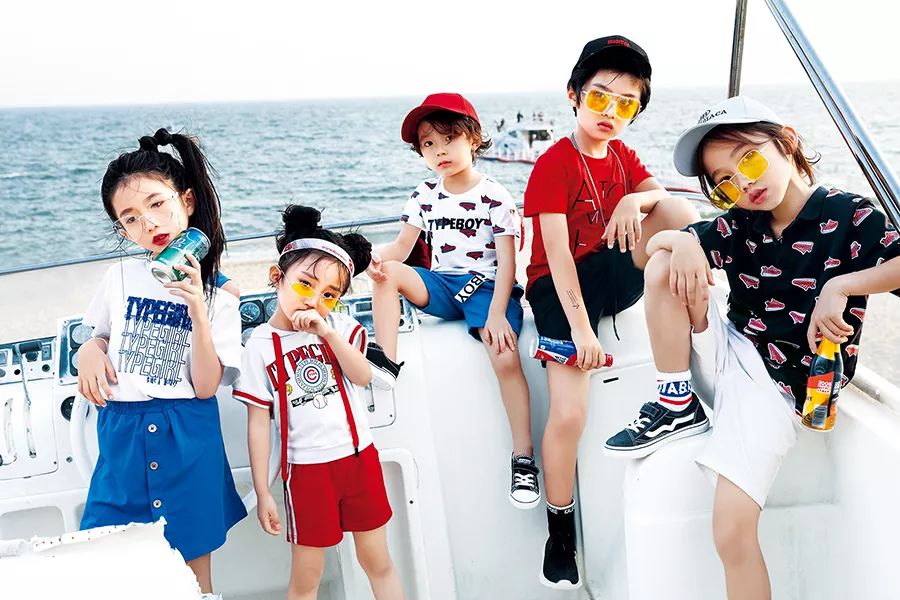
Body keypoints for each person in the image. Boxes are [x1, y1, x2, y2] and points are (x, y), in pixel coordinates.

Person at [605, 96, 900, 599]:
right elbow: (650, 250)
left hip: (783, 387)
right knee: (664, 263)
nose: (744, 184)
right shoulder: (742, 223)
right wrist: (684, 242)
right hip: (729, 348)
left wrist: (843, 286)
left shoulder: (849, 216)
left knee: (730, 532)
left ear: (786, 142)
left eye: (750, 160)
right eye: (725, 182)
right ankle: (675, 401)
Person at [523, 35, 700, 589]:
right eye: (600, 97)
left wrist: (631, 199)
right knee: (569, 414)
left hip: (612, 271)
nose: (611, 112)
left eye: (627, 103)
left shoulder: (623, 157)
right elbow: (556, 257)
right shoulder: (553, 163)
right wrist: (582, 331)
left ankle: (698, 333)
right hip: (560, 287)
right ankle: (559, 532)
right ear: (574, 95)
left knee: (677, 213)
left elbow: (668, 204)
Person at [76, 128, 246, 596]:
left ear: (186, 200)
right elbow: (100, 336)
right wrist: (88, 351)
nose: (148, 222)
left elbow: (206, 386)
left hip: (187, 434)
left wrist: (198, 309)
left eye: (156, 203)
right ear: (122, 230)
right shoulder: (119, 276)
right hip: (122, 436)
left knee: (193, 577)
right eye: (130, 218)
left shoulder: (220, 297)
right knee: (110, 567)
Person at [367, 93, 540, 510]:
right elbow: (401, 248)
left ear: (474, 139)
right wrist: (365, 260)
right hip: (443, 286)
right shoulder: (424, 193)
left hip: (487, 288)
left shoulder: (494, 195)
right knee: (388, 273)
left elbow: (508, 263)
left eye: (449, 139)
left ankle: (523, 457)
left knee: (505, 357)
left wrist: (496, 314)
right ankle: (386, 361)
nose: (439, 151)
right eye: (428, 144)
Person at [234, 206, 404, 600]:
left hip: (359, 460)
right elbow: (258, 423)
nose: (313, 301)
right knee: (307, 576)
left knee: (377, 561)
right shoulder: (260, 345)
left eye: (329, 295)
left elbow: (362, 376)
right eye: (304, 285)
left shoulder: (339, 327)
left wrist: (327, 333)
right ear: (276, 277)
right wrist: (262, 491)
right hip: (307, 472)